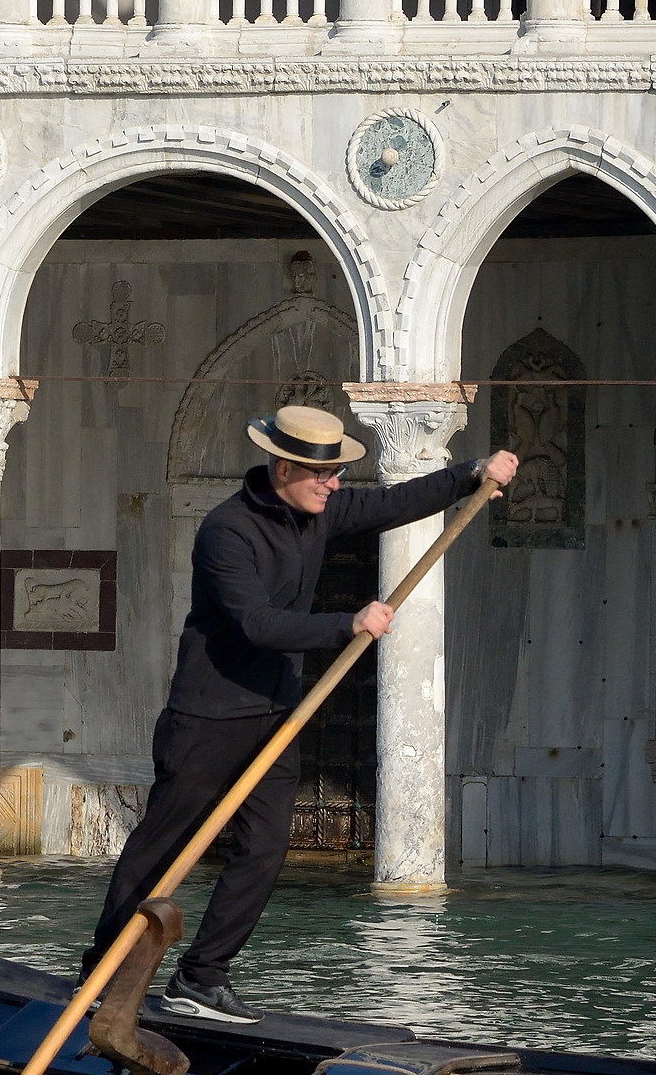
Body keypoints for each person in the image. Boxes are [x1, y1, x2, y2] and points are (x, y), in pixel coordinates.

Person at [82, 403, 519, 1023]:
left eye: (337, 473)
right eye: (322, 474)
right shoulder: (225, 531)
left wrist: (472, 472)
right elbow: (256, 624)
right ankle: (103, 971)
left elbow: (394, 503)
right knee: (161, 848)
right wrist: (348, 623)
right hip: (208, 716)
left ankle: (200, 977)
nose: (333, 484)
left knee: (263, 849)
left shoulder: (324, 510)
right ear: (284, 466)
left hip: (279, 713)